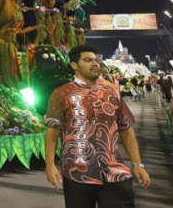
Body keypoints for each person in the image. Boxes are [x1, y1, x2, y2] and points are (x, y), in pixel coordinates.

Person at [45, 44, 151, 207]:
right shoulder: (61, 94)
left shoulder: (112, 91)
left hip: (114, 172)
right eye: (88, 60)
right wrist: (50, 165)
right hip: (77, 173)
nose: (95, 63)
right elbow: (52, 132)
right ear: (74, 65)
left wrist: (138, 164)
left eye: (96, 60)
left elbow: (126, 129)